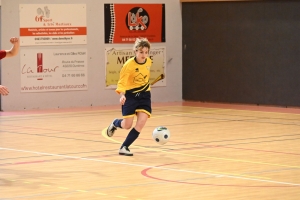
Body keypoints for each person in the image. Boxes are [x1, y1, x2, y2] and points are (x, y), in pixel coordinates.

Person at [106, 38, 152, 156]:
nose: (144, 55)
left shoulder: (148, 62)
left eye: (146, 52)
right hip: (130, 96)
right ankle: (115, 123)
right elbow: (122, 82)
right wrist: (122, 95)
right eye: (141, 52)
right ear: (135, 51)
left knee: (141, 123)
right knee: (127, 125)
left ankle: (124, 147)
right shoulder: (128, 65)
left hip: (144, 95)